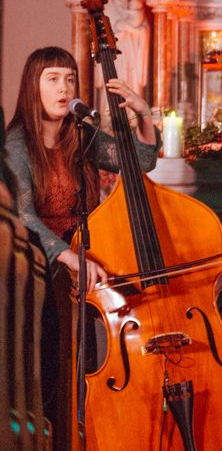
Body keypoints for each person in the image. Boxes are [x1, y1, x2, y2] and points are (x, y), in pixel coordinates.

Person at [5, 45, 159, 290]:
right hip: (41, 266)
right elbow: (23, 216)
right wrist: (70, 258)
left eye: (70, 79)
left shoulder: (81, 135)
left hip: (87, 260)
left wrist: (143, 114)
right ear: (32, 87)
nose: (63, 88)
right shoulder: (15, 146)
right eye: (52, 79)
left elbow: (141, 162)